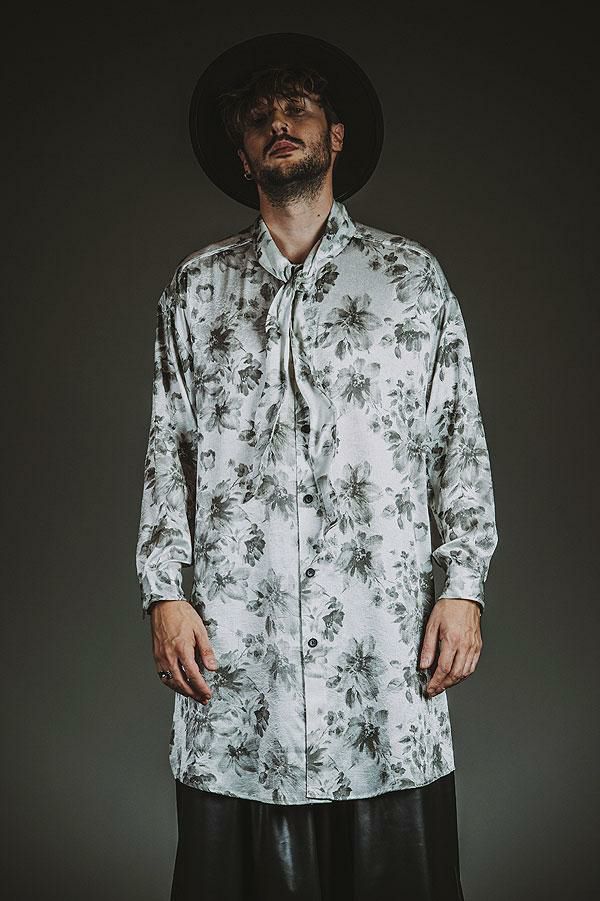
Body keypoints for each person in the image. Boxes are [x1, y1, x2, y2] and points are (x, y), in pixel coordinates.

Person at [135, 32, 498, 901]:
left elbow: (458, 440)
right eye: (260, 116)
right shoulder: (195, 291)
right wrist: (164, 592)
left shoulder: (411, 281)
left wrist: (464, 586)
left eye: (297, 108)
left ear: (335, 136)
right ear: (242, 154)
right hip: (239, 658)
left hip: (380, 658)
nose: (279, 123)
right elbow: (167, 451)